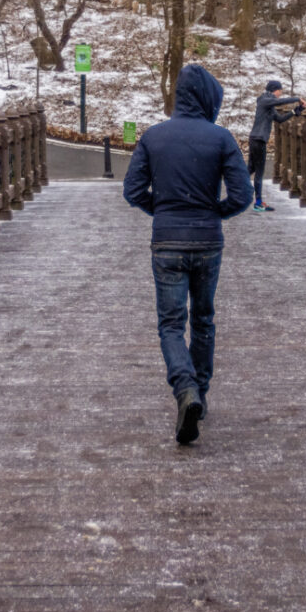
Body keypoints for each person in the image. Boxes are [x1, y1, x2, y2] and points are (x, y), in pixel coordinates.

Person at [122, 64, 253, 445]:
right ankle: (201, 393)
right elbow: (242, 196)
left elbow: (132, 191)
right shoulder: (221, 138)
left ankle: (185, 390)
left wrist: (161, 211)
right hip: (208, 241)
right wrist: (214, 213)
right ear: (208, 98)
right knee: (204, 319)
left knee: (170, 325)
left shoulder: (154, 136)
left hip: (167, 242)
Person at [247, 79, 303, 210]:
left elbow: (280, 119)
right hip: (259, 140)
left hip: (256, 139)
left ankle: (235, 190)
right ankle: (258, 203)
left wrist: (296, 110)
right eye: (280, 91)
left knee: (250, 169)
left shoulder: (268, 105)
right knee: (259, 173)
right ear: (275, 90)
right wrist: (297, 98)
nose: (280, 94)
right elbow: (279, 101)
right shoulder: (264, 100)